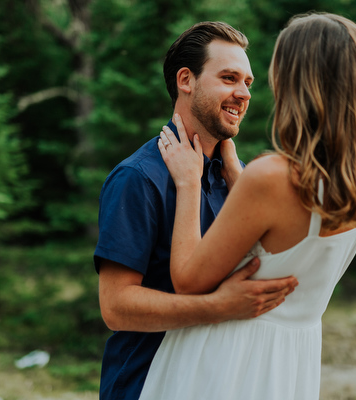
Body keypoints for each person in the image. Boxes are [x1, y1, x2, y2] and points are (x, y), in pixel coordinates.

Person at [138, 12, 356, 400]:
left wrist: (190, 183)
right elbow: (288, 240)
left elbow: (188, 281)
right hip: (290, 363)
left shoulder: (271, 176)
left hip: (225, 358)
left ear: (298, 80)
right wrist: (238, 176)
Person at [94, 21, 298, 400]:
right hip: (146, 384)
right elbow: (116, 306)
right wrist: (215, 307)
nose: (243, 94)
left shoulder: (235, 176)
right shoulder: (138, 177)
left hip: (213, 382)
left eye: (248, 83)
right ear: (186, 80)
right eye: (228, 78)